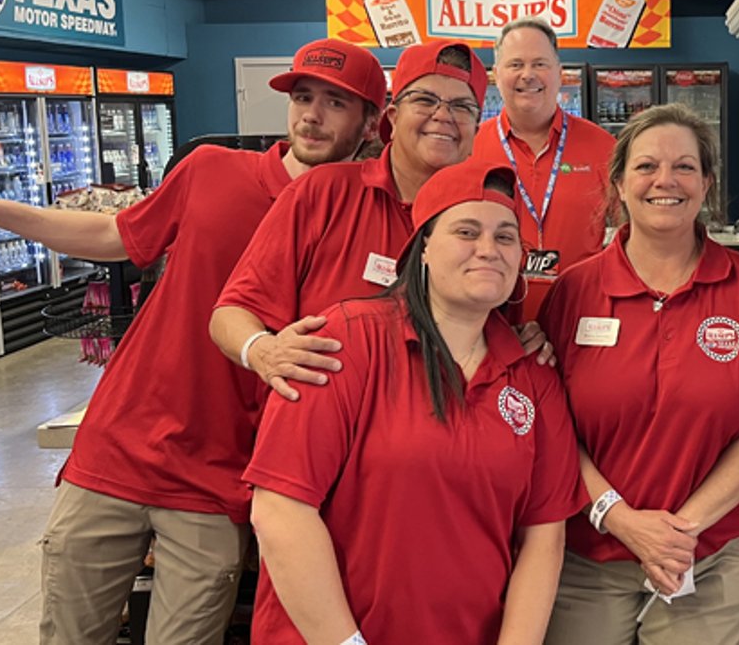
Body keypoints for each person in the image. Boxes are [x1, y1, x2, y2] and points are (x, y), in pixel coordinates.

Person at [0, 38, 384, 643]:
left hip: (222, 476)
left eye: (335, 103)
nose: (311, 114)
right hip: (118, 446)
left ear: (370, 123)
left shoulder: (369, 216)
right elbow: (111, 234)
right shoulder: (211, 170)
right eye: (303, 97)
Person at [245, 161, 584, 644]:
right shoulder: (345, 342)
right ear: (422, 247)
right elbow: (279, 510)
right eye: (467, 231)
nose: (489, 250)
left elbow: (543, 538)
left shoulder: (533, 376)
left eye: (506, 237)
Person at [538, 104, 739, 645]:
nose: (665, 181)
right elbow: (551, 427)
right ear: (619, 184)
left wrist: (679, 534)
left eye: (684, 167)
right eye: (647, 166)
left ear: (707, 183)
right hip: (591, 553)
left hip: (718, 551)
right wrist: (622, 519)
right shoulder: (574, 292)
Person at [211, 39, 505, 399]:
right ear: (392, 118)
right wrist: (263, 351)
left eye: (461, 106)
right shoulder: (322, 193)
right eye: (425, 100)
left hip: (440, 433)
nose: (442, 115)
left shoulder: (489, 218)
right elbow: (232, 312)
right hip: (325, 435)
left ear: (477, 127)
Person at [472, 17, 617, 318]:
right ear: (496, 75)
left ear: (560, 74)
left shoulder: (603, 146)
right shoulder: (470, 148)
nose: (528, 75)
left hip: (585, 318)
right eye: (515, 65)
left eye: (540, 64)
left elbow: (631, 236)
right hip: (492, 323)